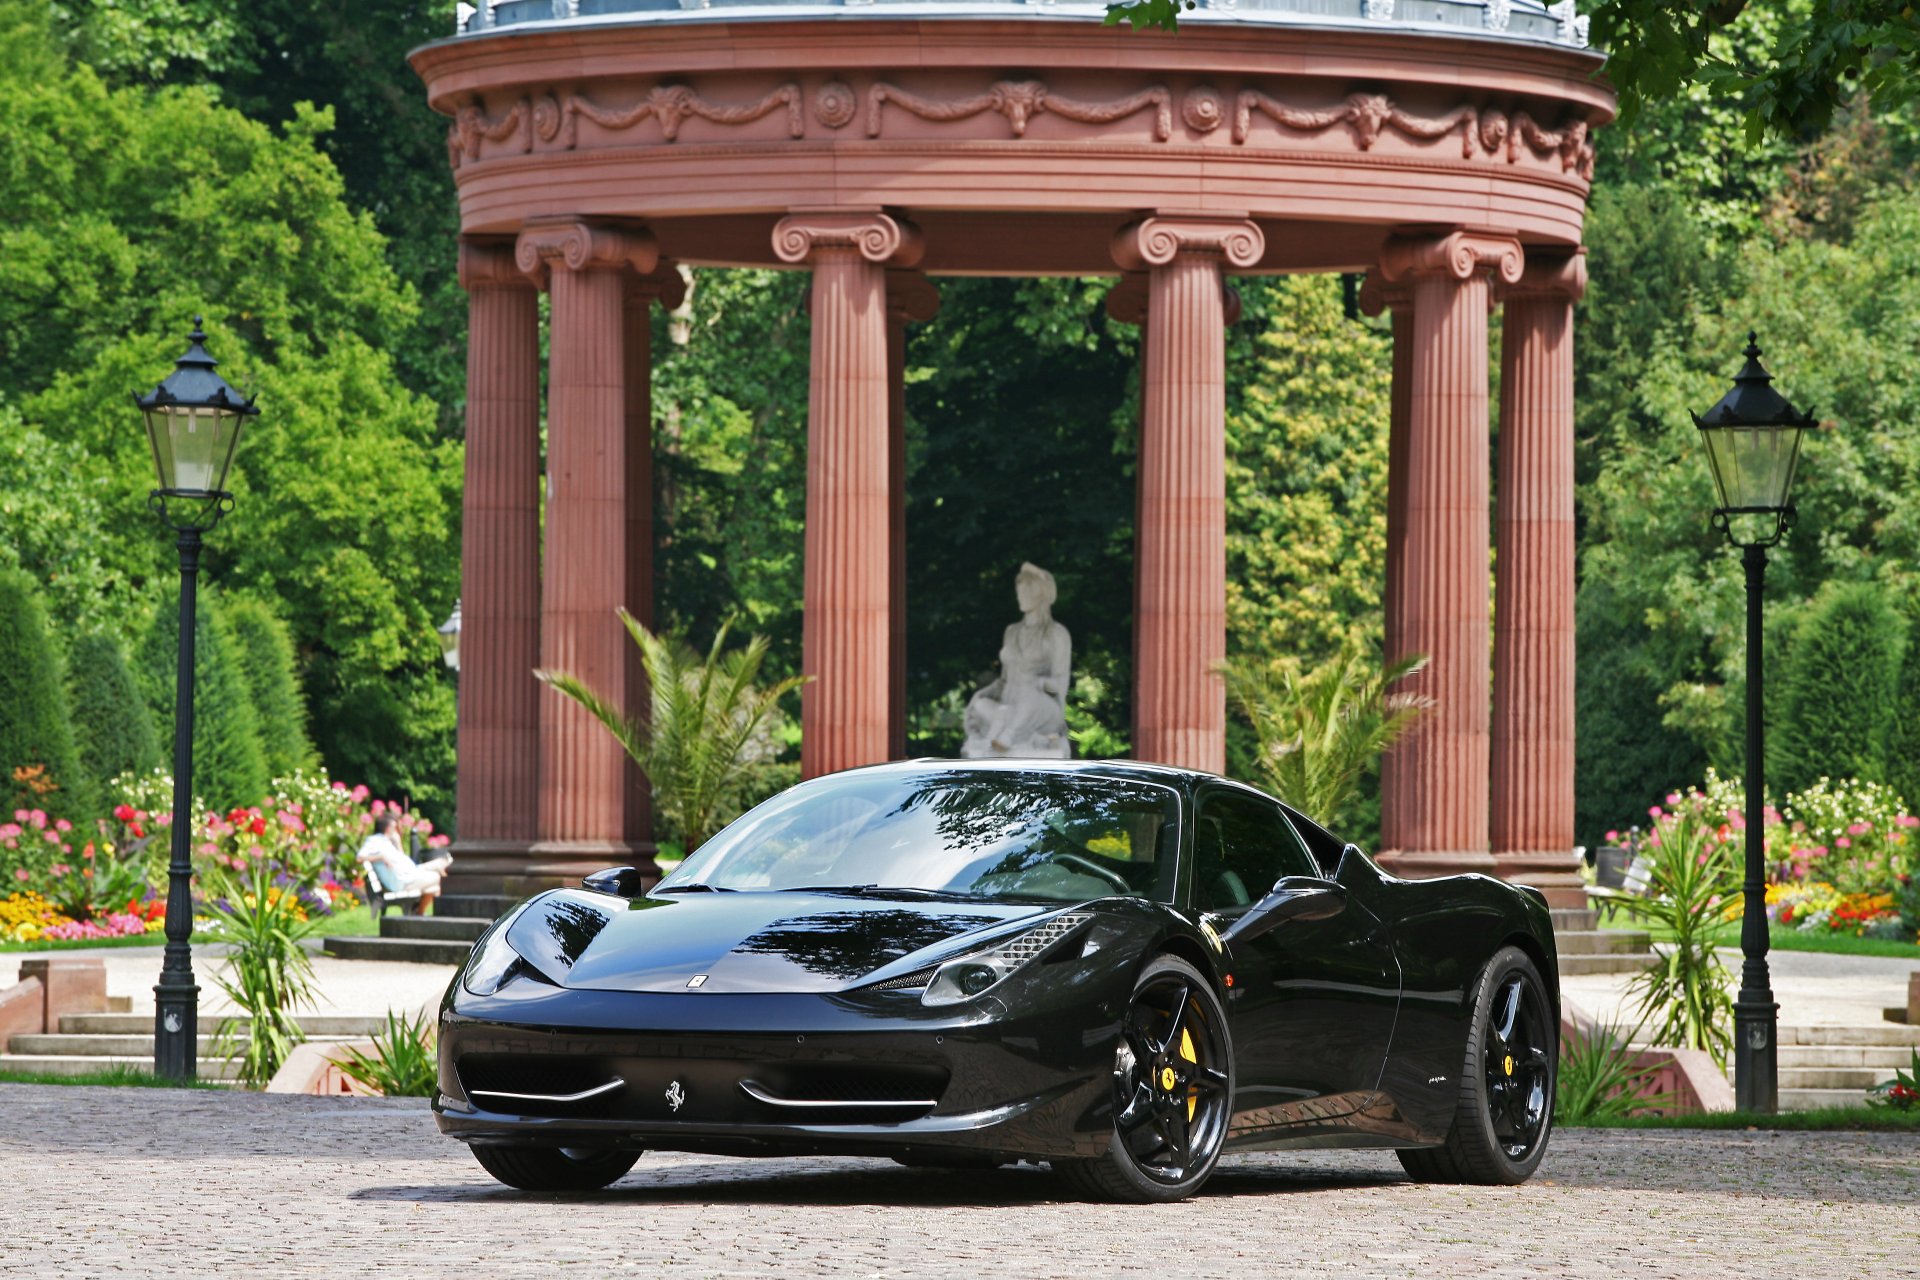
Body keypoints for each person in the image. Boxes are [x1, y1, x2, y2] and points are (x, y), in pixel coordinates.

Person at [961, 562, 1073, 759]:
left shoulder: (1057, 634)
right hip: (1011, 705)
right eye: (1018, 592)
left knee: (1028, 694)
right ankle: (1004, 731)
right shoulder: (1011, 632)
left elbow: (1060, 685)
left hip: (1043, 709)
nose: (1019, 597)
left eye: (1025, 592)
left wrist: (1039, 683)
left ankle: (1007, 737)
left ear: (1039, 594)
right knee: (981, 705)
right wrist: (983, 693)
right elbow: (1004, 680)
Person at [356, 814, 453, 914]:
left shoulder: (387, 841)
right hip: (404, 880)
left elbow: (403, 860)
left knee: (445, 862)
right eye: (395, 827)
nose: (396, 830)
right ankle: (420, 912)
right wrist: (381, 856)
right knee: (437, 878)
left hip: (411, 872)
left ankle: (419, 912)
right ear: (388, 828)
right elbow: (359, 857)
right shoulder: (374, 841)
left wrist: (398, 843)